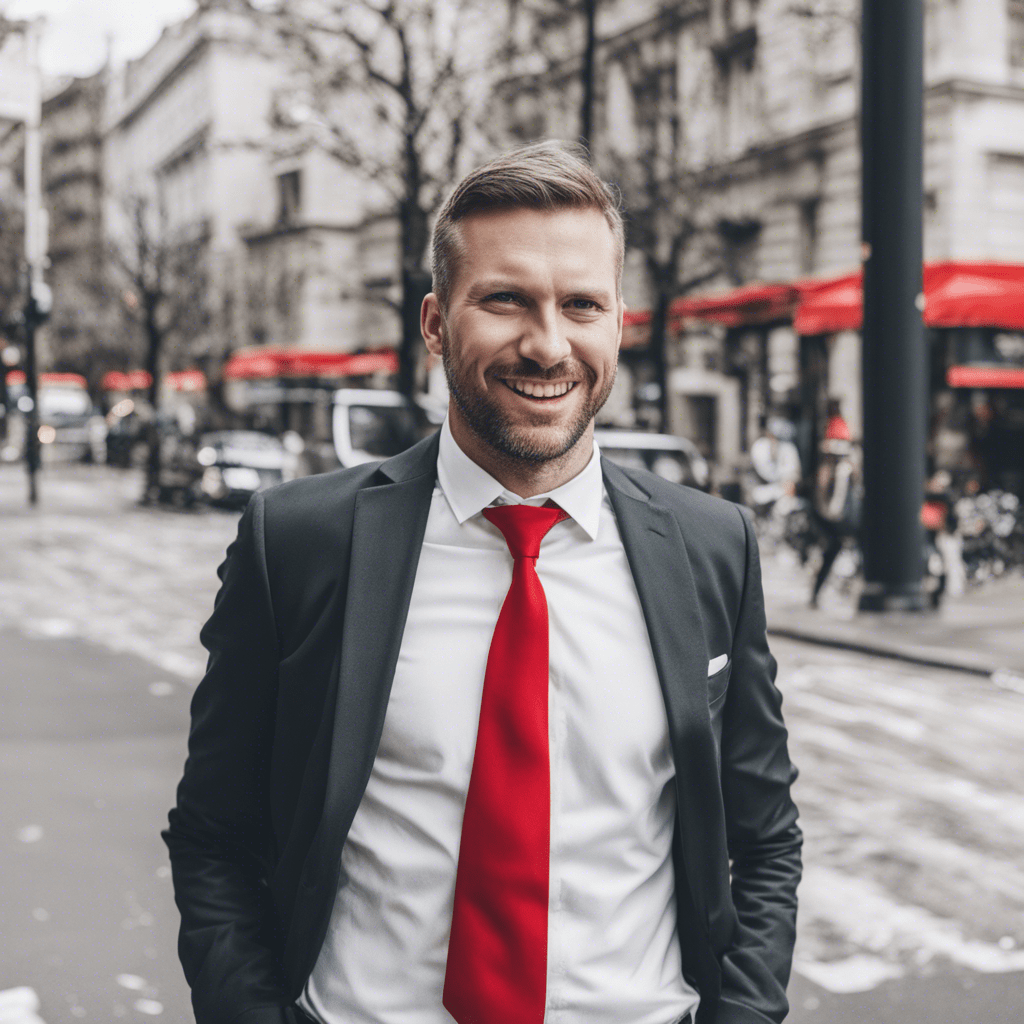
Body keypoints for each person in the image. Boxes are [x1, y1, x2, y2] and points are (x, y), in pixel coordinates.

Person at [164, 142, 801, 1024]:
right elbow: (214, 837)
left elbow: (763, 839)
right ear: (434, 324)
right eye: (505, 299)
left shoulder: (711, 545)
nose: (547, 343)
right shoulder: (301, 543)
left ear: (619, 321)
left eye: (582, 304)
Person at [809, 414, 861, 607]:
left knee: (834, 554)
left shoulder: (842, 467)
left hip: (839, 521)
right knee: (832, 554)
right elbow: (828, 502)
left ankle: (821, 593)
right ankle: (817, 593)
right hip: (835, 522)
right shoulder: (831, 469)